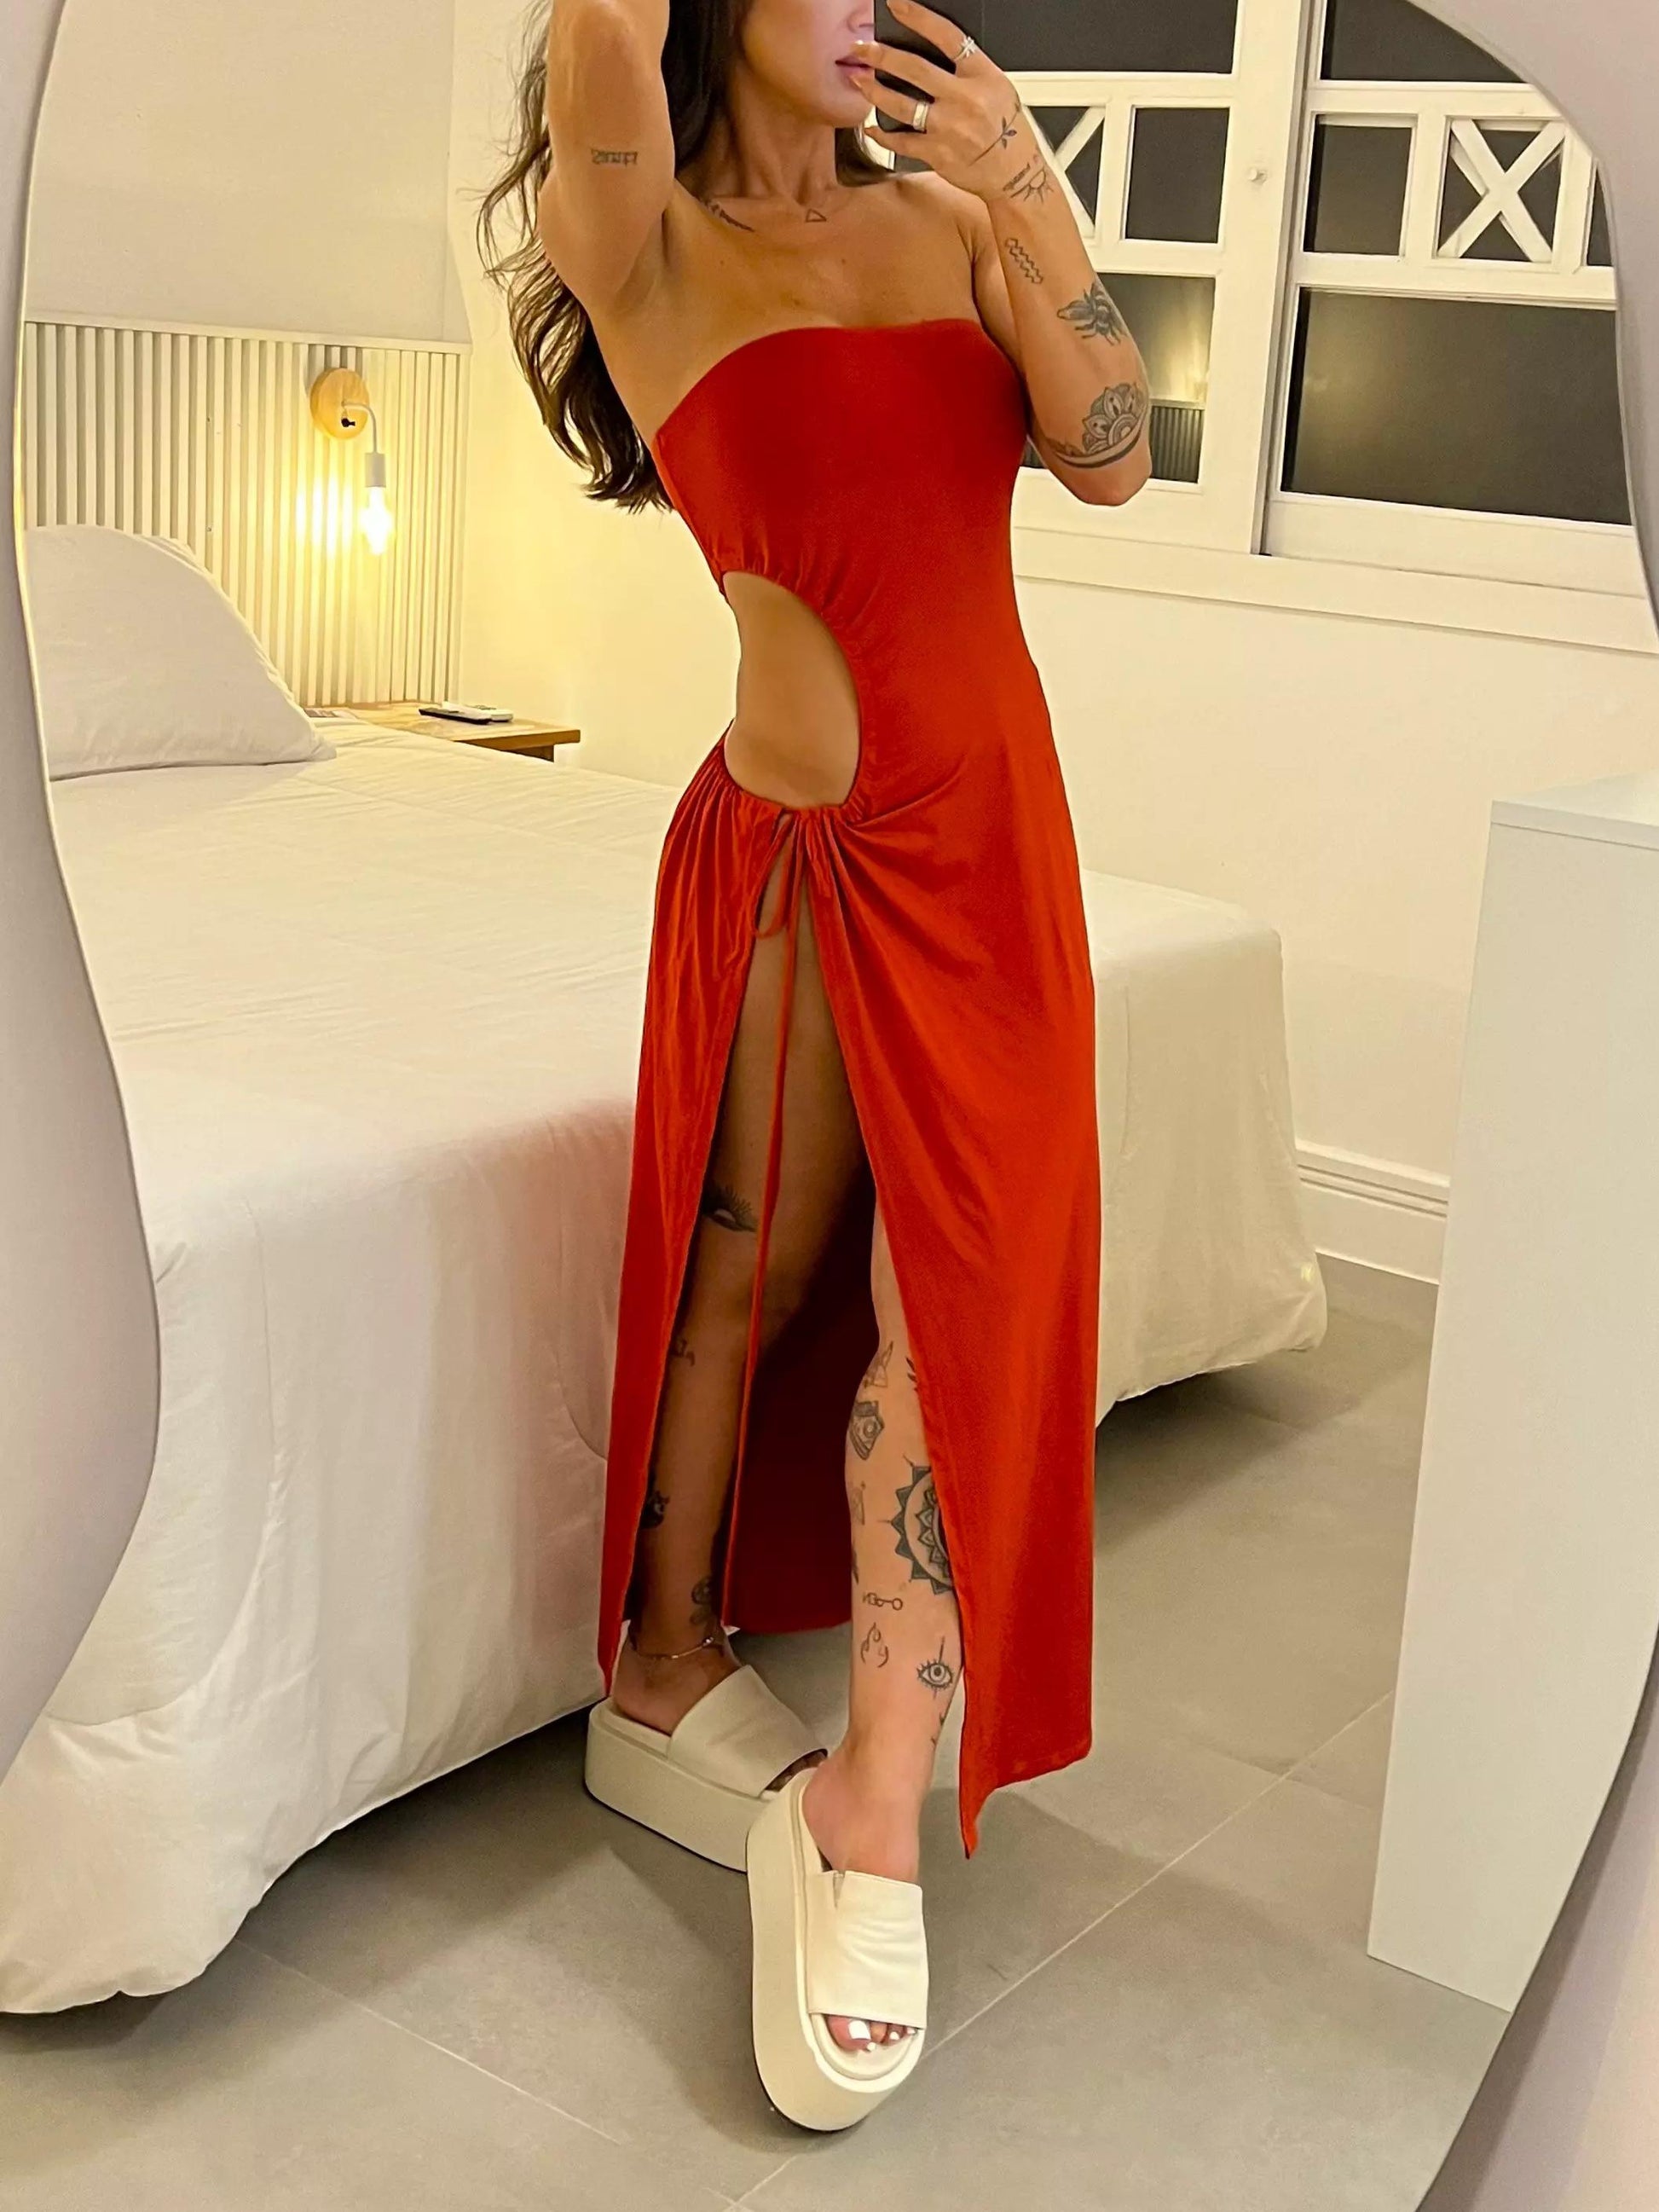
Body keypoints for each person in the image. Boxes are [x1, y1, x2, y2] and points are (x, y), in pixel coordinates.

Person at [478, 0, 1150, 2130]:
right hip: (796, 848)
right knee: (757, 1263)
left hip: (993, 841)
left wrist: (1024, 187)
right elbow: (599, 42)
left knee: (961, 1289)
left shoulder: (943, 222)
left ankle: (875, 1789)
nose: (869, 5)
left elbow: (1111, 448)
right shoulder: (641, 233)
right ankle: (662, 1655)